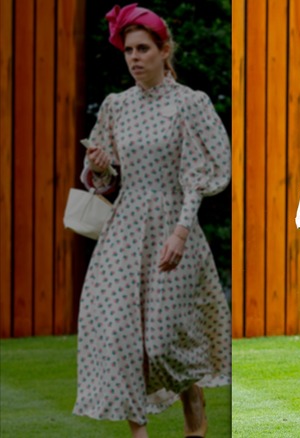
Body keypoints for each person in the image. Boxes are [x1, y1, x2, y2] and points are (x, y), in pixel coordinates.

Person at [72, 4, 231, 438]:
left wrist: (181, 230)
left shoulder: (190, 103)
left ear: (164, 50)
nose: (134, 58)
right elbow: (101, 178)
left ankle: (195, 421)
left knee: (166, 342)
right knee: (121, 337)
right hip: (125, 229)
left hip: (174, 224)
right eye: (128, 50)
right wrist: (100, 165)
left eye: (143, 49)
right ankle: (139, 432)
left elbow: (207, 171)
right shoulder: (116, 105)